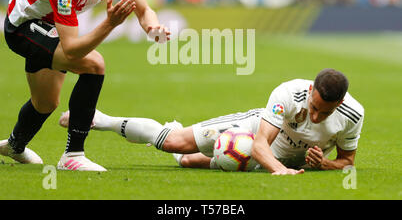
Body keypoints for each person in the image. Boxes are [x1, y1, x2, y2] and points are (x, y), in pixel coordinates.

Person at [0, 0, 170, 172]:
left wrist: (152, 27)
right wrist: (109, 24)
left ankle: (14, 146)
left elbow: (143, 9)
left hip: (49, 26)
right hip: (22, 29)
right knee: (94, 64)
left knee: (46, 102)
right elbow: (71, 50)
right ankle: (73, 155)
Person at [59, 68, 364, 174]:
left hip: (279, 159)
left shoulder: (353, 114)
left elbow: (347, 161)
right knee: (174, 143)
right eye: (314, 107)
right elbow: (260, 144)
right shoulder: (288, 92)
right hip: (255, 134)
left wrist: (325, 164)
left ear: (341, 104)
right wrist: (282, 170)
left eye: (324, 113)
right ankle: (103, 120)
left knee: (187, 162)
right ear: (310, 91)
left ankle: (181, 136)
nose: (315, 116)